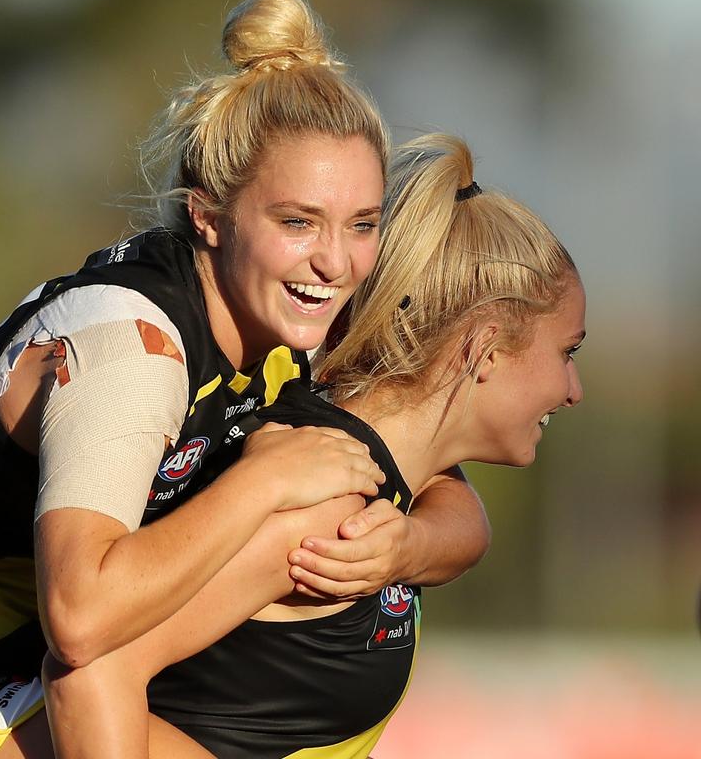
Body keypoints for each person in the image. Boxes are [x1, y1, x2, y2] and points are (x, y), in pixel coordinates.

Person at [0, 0, 489, 757]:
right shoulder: (132, 347)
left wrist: (405, 546)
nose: (336, 262)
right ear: (209, 216)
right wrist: (263, 485)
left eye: (362, 225)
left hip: (13, 686)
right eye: (297, 222)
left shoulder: (291, 319)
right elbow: (80, 621)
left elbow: (443, 483)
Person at [37, 132, 586, 759]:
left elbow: (463, 525)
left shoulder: (384, 477)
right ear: (485, 348)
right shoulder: (323, 509)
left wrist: (415, 545)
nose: (574, 389)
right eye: (568, 352)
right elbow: (89, 669)